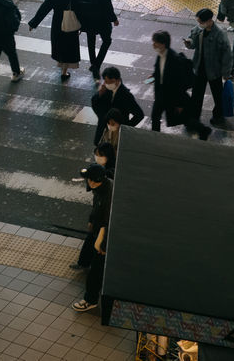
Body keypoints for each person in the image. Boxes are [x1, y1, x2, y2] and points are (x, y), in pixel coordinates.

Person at [148, 30, 211, 139]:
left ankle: (203, 130)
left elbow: (179, 84)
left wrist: (180, 104)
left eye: (155, 42)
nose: (153, 45)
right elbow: (159, 72)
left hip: (172, 96)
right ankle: (155, 137)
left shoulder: (174, 60)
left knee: (182, 119)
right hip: (161, 94)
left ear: (163, 44)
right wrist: (152, 77)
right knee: (155, 116)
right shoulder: (160, 55)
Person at [71, 164, 111, 312]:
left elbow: (109, 224)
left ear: (96, 181)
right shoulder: (100, 187)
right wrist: (91, 220)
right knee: (89, 243)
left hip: (104, 232)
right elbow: (95, 207)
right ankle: (83, 263)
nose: (88, 182)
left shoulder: (108, 197)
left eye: (89, 179)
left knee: (97, 269)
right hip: (97, 226)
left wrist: (104, 246)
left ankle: (90, 300)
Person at [27, 0, 80, 79]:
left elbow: (44, 9)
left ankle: (61, 64)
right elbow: (79, 9)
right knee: (69, 47)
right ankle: (64, 72)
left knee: (60, 44)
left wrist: (33, 23)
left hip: (58, 22)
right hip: (70, 22)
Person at [185, 8, 234, 126]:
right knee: (196, 96)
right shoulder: (198, 29)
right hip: (199, 68)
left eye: (201, 22)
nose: (199, 24)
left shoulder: (220, 34)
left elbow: (227, 54)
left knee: (218, 96)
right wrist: (189, 43)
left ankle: (218, 116)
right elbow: (193, 43)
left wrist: (226, 73)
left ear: (208, 21)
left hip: (214, 70)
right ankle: (194, 118)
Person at [73, 0, 118, 77]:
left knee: (90, 40)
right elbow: (107, 3)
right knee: (107, 41)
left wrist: (78, 20)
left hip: (86, 20)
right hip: (101, 20)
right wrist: (114, 18)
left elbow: (75, 3)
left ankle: (93, 62)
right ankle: (96, 64)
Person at [90, 67, 144, 145]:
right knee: (99, 145)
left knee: (117, 148)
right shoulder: (105, 89)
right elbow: (95, 104)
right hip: (104, 127)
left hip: (119, 130)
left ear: (118, 80)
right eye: (105, 81)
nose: (107, 84)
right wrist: (99, 94)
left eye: (110, 82)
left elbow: (139, 115)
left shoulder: (126, 95)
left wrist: (126, 126)